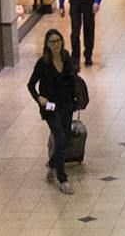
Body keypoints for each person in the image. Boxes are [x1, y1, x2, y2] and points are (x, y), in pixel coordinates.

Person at [27, 28, 89, 190]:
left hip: (66, 104)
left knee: (66, 135)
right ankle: (62, 178)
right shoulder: (43, 63)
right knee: (60, 137)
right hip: (50, 106)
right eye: (52, 42)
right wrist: (39, 98)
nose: (56, 45)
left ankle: (54, 161)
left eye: (58, 41)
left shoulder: (66, 58)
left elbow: (72, 79)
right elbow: (31, 85)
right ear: (47, 45)